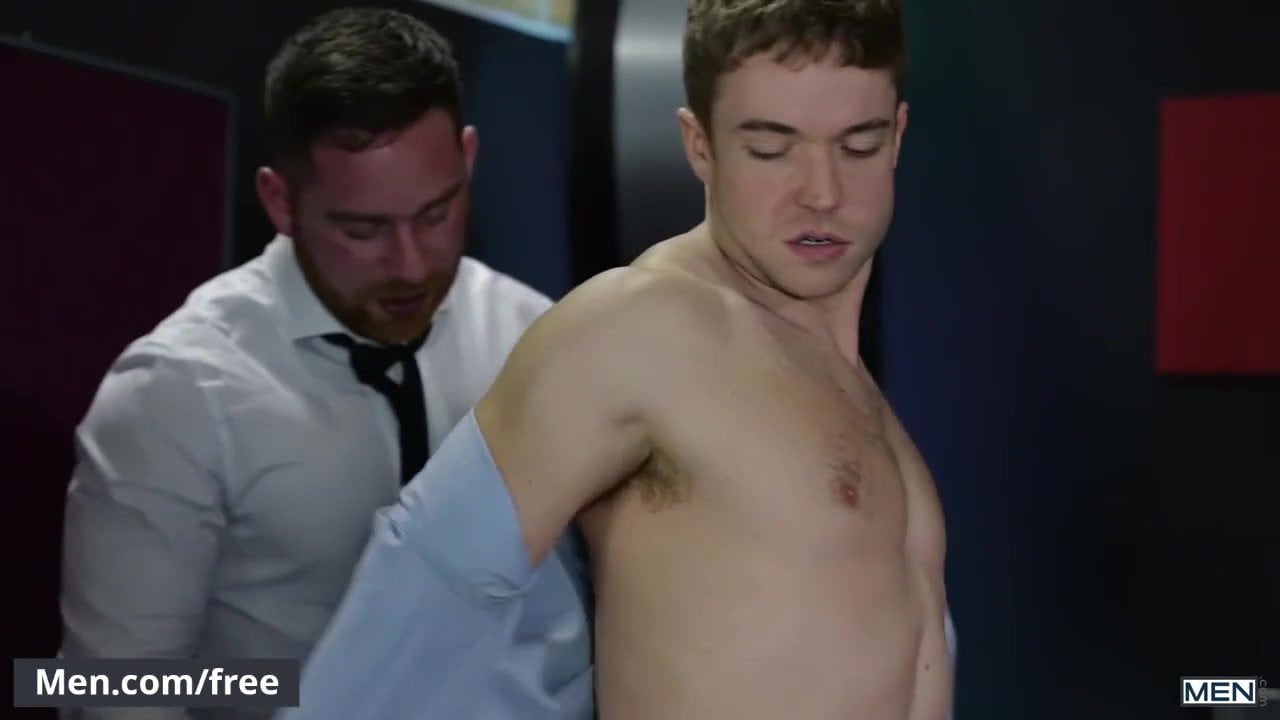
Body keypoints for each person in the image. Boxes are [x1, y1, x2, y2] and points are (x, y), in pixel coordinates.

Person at [285, 0, 955, 718]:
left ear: (897, 137)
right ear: (699, 146)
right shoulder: (639, 329)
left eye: (858, 146)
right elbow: (406, 605)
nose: (822, 193)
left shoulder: (860, 399)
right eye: (771, 148)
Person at [57, 7, 592, 719]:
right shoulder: (175, 392)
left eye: (436, 214)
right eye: (363, 230)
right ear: (280, 201)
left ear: (468, 158)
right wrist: (291, 688)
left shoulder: (536, 337)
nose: (411, 265)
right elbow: (100, 684)